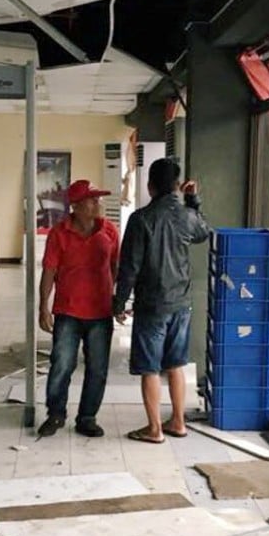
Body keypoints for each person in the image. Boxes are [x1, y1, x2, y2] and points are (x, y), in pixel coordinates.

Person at [114, 158, 211, 443]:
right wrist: (193, 200)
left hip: (152, 304)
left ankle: (155, 429)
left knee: (150, 368)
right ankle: (178, 422)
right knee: (176, 364)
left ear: (150, 185)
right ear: (177, 186)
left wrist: (119, 302)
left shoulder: (141, 218)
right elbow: (203, 232)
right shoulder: (186, 215)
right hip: (181, 303)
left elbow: (129, 266)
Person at [37, 179, 120, 438]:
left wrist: (119, 301)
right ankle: (56, 414)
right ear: (76, 205)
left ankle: (87, 417)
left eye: (99, 199)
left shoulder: (110, 231)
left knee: (97, 368)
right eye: (93, 199)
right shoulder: (59, 233)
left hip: (101, 312)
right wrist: (43, 306)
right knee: (62, 363)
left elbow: (118, 268)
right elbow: (49, 270)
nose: (99, 203)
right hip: (68, 311)